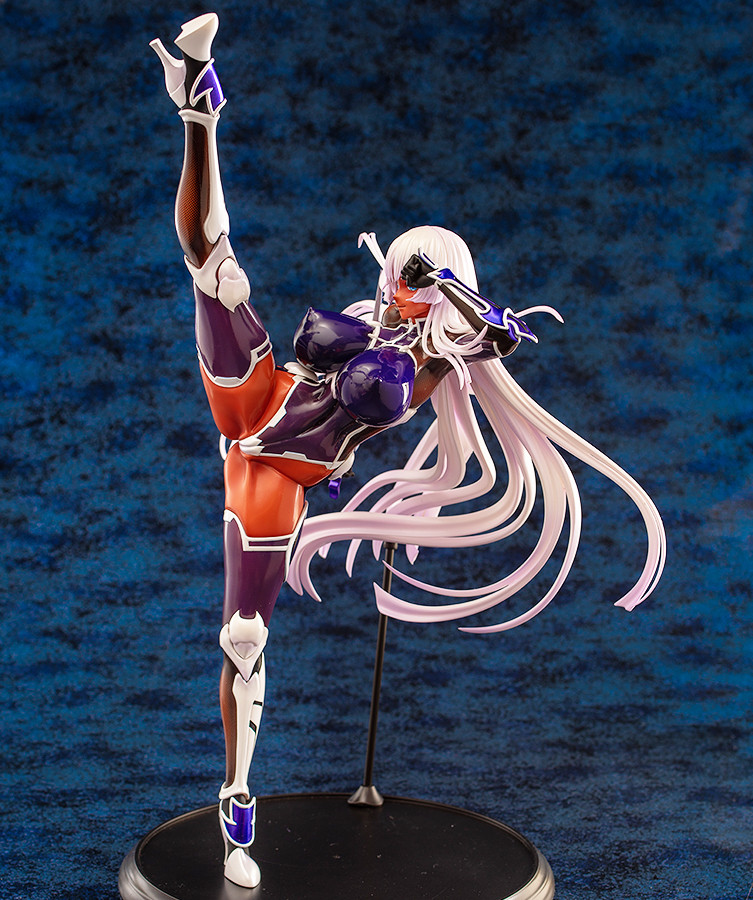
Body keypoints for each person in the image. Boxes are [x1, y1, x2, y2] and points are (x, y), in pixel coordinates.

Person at [152, 14, 665, 888]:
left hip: (276, 475)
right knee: (218, 271)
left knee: (243, 635)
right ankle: (199, 106)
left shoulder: (434, 363)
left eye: (417, 276)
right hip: (255, 395)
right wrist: (407, 286)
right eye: (401, 269)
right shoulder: (369, 313)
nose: (402, 284)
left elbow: (485, 333)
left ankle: (236, 802)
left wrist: (462, 302)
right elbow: (350, 324)